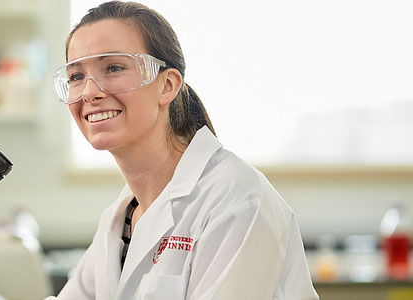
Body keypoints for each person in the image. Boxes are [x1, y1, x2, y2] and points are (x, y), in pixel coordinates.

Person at [47, 1, 319, 299]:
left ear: (167, 85)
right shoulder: (119, 220)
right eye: (75, 76)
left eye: (113, 67)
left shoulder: (237, 200)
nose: (89, 91)